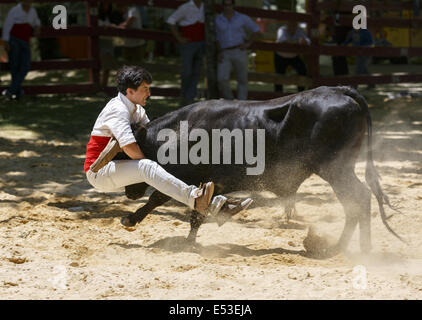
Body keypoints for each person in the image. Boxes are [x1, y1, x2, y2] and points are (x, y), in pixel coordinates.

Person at [84, 65, 253, 227]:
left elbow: (152, 141)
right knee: (148, 167)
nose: (149, 93)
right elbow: (129, 147)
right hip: (99, 172)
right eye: (144, 89)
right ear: (130, 91)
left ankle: (217, 205)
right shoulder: (117, 109)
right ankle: (196, 199)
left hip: (118, 167)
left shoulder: (137, 110)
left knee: (159, 168)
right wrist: (154, 172)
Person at [215, 0, 260, 100]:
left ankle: (241, 104)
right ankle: (230, 102)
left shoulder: (242, 17)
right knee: (221, 78)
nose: (228, 7)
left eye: (230, 5)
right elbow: (216, 37)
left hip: (239, 50)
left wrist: (248, 43)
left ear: (233, 5)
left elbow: (256, 29)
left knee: (242, 79)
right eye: (225, 5)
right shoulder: (218, 19)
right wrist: (219, 52)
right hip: (224, 52)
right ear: (222, 6)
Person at [167, 0, 205, 106]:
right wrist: (179, 37)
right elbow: (171, 20)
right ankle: (183, 95)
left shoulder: (205, 7)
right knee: (186, 71)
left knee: (197, 71)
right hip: (188, 43)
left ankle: (190, 97)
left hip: (202, 42)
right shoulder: (185, 7)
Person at [1, 0, 40, 101]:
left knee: (25, 66)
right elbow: (7, 26)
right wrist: (5, 42)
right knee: (15, 66)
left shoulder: (32, 11)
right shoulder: (14, 10)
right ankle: (17, 92)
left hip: (25, 41)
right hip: (14, 40)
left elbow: (36, 22)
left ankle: (11, 91)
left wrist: (36, 27)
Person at [274, 20, 310, 93]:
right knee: (279, 75)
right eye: (291, 23)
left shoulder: (300, 31)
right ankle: (278, 95)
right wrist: (297, 42)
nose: (292, 25)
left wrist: (304, 41)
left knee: (302, 71)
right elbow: (283, 41)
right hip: (281, 56)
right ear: (287, 23)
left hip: (294, 56)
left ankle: (301, 92)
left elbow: (307, 41)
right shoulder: (282, 30)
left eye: (294, 23)